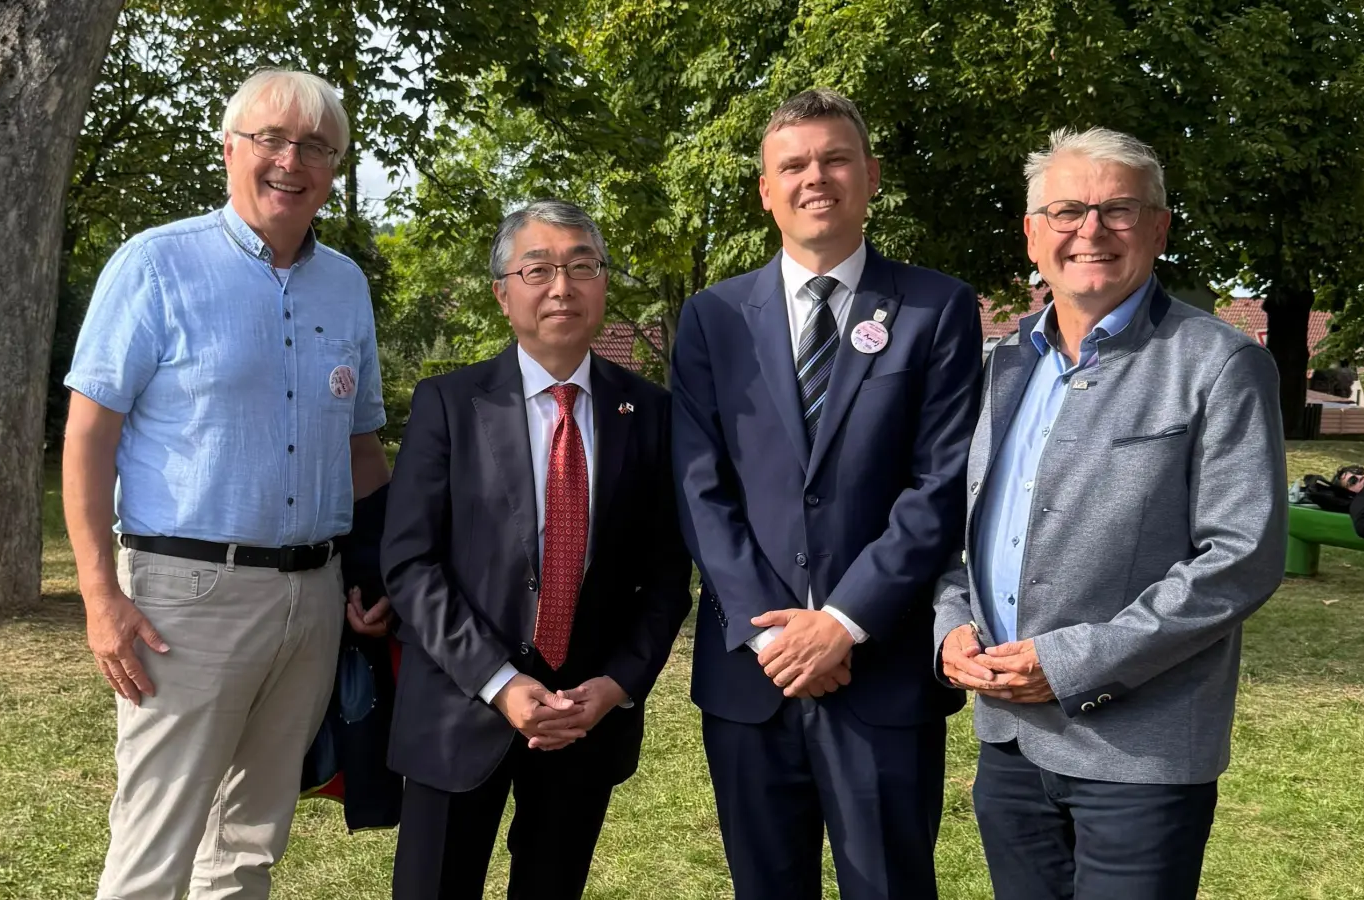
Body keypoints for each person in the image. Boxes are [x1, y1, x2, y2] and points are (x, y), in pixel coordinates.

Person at [62, 69, 392, 900]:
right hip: (183, 597)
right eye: (272, 140)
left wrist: (374, 571)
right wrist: (101, 595)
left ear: (334, 168)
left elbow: (362, 450)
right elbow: (87, 441)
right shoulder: (155, 266)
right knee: (158, 838)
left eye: (316, 146)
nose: (292, 160)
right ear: (229, 151)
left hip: (314, 596)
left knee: (251, 837)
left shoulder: (346, 286)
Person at [934, 126, 1286, 900]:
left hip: (1141, 754)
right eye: (1066, 211)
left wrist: (1066, 664)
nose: (1089, 231)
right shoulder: (1002, 364)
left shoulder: (1220, 364)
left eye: (1118, 210)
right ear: (1032, 234)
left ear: (1159, 228)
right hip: (1009, 743)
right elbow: (966, 531)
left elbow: (1240, 559)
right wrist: (951, 625)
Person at [670, 88, 983, 900]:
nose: (818, 177)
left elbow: (939, 484)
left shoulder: (936, 309)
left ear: (870, 176)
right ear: (765, 190)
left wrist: (841, 623)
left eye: (835, 158)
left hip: (880, 671)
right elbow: (701, 489)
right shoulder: (711, 318)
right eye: (794, 165)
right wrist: (777, 638)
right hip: (753, 676)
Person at [382, 199, 692, 900]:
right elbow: (411, 564)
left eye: (583, 267)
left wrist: (615, 686)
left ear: (604, 286)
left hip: (585, 717)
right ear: (503, 292)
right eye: (539, 268)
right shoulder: (448, 404)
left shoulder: (650, 414)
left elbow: (668, 575)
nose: (562, 286)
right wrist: (498, 681)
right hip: (461, 707)